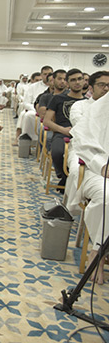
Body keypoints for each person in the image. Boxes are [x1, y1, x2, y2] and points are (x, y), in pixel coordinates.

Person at [71, 91, 109, 283]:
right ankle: (98, 251)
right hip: (99, 172)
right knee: (106, 197)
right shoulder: (99, 109)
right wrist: (102, 166)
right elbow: (85, 145)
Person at [43, 68, 86, 189]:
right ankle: (64, 176)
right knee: (57, 152)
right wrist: (63, 130)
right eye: (73, 80)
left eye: (79, 79)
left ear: (84, 81)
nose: (77, 82)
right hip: (62, 133)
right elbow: (47, 121)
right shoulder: (58, 99)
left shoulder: (87, 102)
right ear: (67, 83)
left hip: (82, 135)